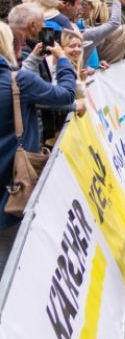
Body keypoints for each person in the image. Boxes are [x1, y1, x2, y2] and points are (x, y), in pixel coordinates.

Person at [0, 22, 77, 236]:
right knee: (12, 254)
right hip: (13, 182)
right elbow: (65, 95)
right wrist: (63, 61)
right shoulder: (18, 80)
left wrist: (32, 60)